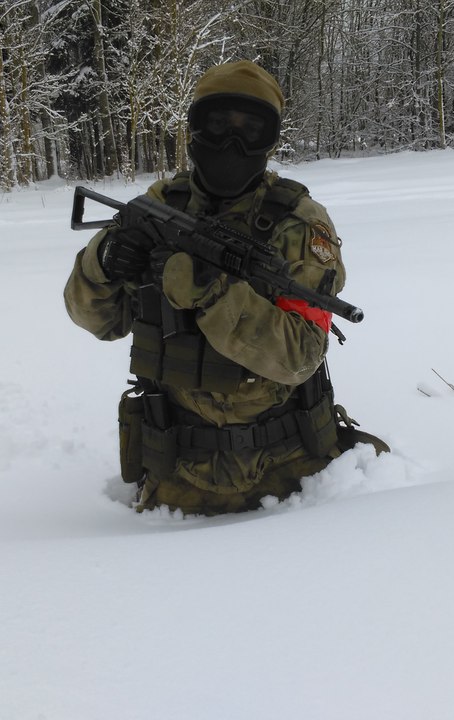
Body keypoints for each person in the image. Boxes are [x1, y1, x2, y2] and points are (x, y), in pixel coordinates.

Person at [64, 60, 385, 515]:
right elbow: (97, 320)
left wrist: (213, 293)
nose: (230, 142)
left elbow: (300, 358)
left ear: (270, 140)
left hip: (291, 474)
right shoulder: (159, 207)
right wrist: (105, 260)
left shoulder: (299, 224)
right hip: (177, 470)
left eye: (250, 129)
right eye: (216, 124)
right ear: (194, 129)